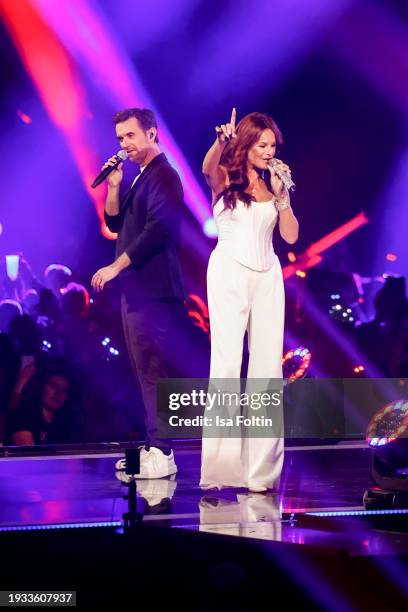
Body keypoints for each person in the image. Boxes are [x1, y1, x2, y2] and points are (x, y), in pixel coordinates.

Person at [200, 109, 299, 492]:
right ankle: (222, 471)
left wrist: (283, 197)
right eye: (262, 145)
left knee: (266, 371)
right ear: (246, 144)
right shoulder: (225, 175)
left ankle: (261, 472)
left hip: (268, 275)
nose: (269, 150)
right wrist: (220, 143)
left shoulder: (272, 183)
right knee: (226, 365)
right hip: (229, 271)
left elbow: (290, 237)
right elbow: (209, 167)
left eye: (273, 145)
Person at [91, 108, 186, 478]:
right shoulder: (139, 178)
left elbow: (159, 231)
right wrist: (114, 186)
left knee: (153, 369)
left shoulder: (165, 176)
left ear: (152, 134)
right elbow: (114, 223)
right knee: (142, 368)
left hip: (156, 290)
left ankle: (162, 452)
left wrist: (115, 267)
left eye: (130, 136)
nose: (124, 145)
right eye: (120, 139)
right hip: (137, 291)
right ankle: (153, 445)